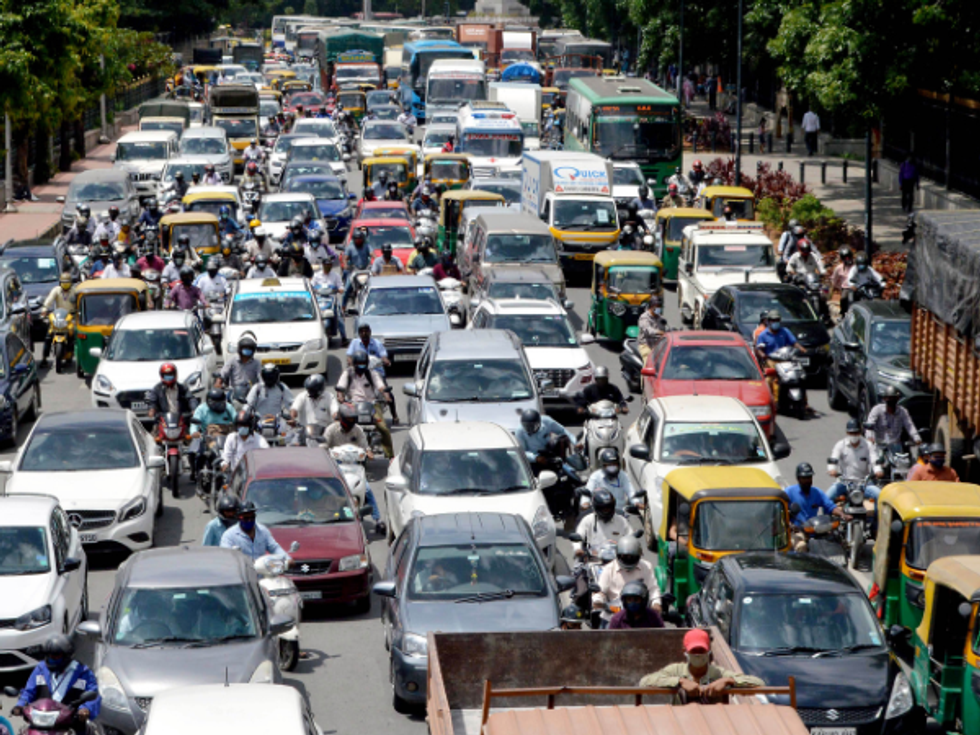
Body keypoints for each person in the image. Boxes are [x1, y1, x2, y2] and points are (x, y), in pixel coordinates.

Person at [639, 628, 764, 703]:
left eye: (701, 650)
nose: (698, 654)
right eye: (694, 651)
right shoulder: (675, 670)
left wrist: (728, 681)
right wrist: (680, 681)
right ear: (685, 652)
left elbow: (758, 683)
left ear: (708, 651)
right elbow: (645, 681)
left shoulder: (718, 673)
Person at [12, 635, 101, 735]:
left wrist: (85, 709)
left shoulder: (82, 672)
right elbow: (28, 692)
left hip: (71, 725)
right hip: (41, 723)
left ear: (67, 655)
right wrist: (20, 705)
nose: (52, 659)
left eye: (56, 656)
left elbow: (93, 695)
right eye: (49, 656)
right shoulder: (40, 669)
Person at [322, 404, 384, 534]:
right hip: (336, 466)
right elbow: (323, 446)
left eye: (352, 420)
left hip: (355, 466)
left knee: (366, 489)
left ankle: (378, 520)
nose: (350, 423)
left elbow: (365, 446)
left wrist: (369, 452)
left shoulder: (358, 430)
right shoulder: (331, 430)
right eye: (348, 420)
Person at [335, 350, 394, 458]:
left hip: (372, 405)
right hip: (353, 405)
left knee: (383, 428)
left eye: (363, 363)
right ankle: (336, 453)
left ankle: (390, 456)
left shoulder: (372, 374)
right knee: (339, 427)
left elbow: (381, 386)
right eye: (358, 364)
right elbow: (341, 387)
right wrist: (340, 396)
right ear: (354, 363)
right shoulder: (347, 373)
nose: (361, 366)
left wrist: (386, 395)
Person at [594, 537, 662, 627]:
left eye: (632, 557)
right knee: (602, 639)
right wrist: (598, 601)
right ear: (618, 555)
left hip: (641, 614)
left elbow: (653, 589)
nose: (628, 559)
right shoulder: (609, 569)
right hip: (612, 614)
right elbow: (600, 591)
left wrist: (656, 603)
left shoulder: (646, 567)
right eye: (625, 556)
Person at [786, 462, 848, 552]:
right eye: (804, 478)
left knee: (838, 542)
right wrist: (789, 524)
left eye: (809, 478)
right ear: (798, 479)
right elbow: (780, 510)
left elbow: (830, 506)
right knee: (801, 546)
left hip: (816, 530)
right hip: (798, 531)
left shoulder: (817, 492)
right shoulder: (789, 492)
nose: (807, 481)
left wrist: (842, 514)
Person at [756, 310, 808, 405]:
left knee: (799, 378)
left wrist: (801, 349)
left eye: (777, 320)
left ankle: (804, 403)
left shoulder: (785, 331)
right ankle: (773, 403)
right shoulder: (763, 335)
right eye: (773, 320)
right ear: (768, 321)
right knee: (770, 380)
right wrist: (763, 355)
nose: (775, 322)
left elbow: (794, 343)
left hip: (786, 361)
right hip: (771, 361)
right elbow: (759, 349)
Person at [827, 418, 883, 504]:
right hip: (844, 483)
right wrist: (832, 470)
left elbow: (874, 460)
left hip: (864, 483)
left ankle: (876, 517)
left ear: (860, 432)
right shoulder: (840, 445)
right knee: (827, 497)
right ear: (847, 433)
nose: (854, 435)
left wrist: (878, 470)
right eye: (851, 433)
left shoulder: (868, 445)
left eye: (856, 433)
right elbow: (833, 459)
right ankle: (827, 517)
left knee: (880, 495)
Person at [189, 387, 236, 481]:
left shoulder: (228, 407)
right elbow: (194, 423)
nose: (220, 405)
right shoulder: (202, 409)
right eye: (217, 403)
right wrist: (194, 432)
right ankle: (195, 472)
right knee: (194, 452)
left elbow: (236, 418)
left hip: (226, 438)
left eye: (221, 402)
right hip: (208, 438)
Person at [220, 500, 290, 562]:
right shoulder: (229, 535)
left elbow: (274, 548)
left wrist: (287, 559)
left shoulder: (263, 531)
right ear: (239, 518)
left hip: (261, 573)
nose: (249, 520)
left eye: (252, 517)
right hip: (241, 574)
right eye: (246, 518)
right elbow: (225, 556)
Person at [572, 489, 632, 558]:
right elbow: (579, 534)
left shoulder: (622, 521)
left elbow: (631, 536)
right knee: (578, 567)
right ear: (597, 507)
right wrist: (578, 549)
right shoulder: (588, 520)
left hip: (617, 560)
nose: (607, 510)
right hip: (593, 560)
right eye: (604, 508)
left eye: (609, 508)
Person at [39, 273, 77, 368]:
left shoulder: (74, 292)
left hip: (70, 317)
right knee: (48, 336)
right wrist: (44, 310)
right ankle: (44, 358)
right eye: (63, 283)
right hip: (58, 316)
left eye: (67, 283)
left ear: (71, 283)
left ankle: (71, 355)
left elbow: (79, 303)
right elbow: (49, 300)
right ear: (60, 283)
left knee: (73, 336)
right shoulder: (56, 290)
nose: (65, 285)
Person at [585, 448, 636, 512]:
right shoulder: (595, 476)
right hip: (600, 512)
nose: (612, 467)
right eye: (609, 465)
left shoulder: (623, 475)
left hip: (619, 513)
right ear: (603, 465)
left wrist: (637, 502)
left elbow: (630, 491)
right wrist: (585, 503)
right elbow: (588, 492)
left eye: (614, 464)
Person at [221, 408, 269, 472]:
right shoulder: (231, 438)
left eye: (244, 425)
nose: (242, 428)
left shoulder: (259, 440)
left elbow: (267, 457)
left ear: (250, 426)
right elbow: (225, 459)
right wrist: (224, 466)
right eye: (240, 425)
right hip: (236, 476)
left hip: (253, 474)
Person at [636, 297, 666, 365]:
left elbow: (665, 330)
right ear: (652, 306)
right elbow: (647, 330)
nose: (659, 308)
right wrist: (658, 332)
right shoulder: (644, 317)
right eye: (657, 306)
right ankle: (644, 376)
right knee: (648, 364)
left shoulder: (660, 318)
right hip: (646, 345)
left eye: (660, 306)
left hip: (658, 345)